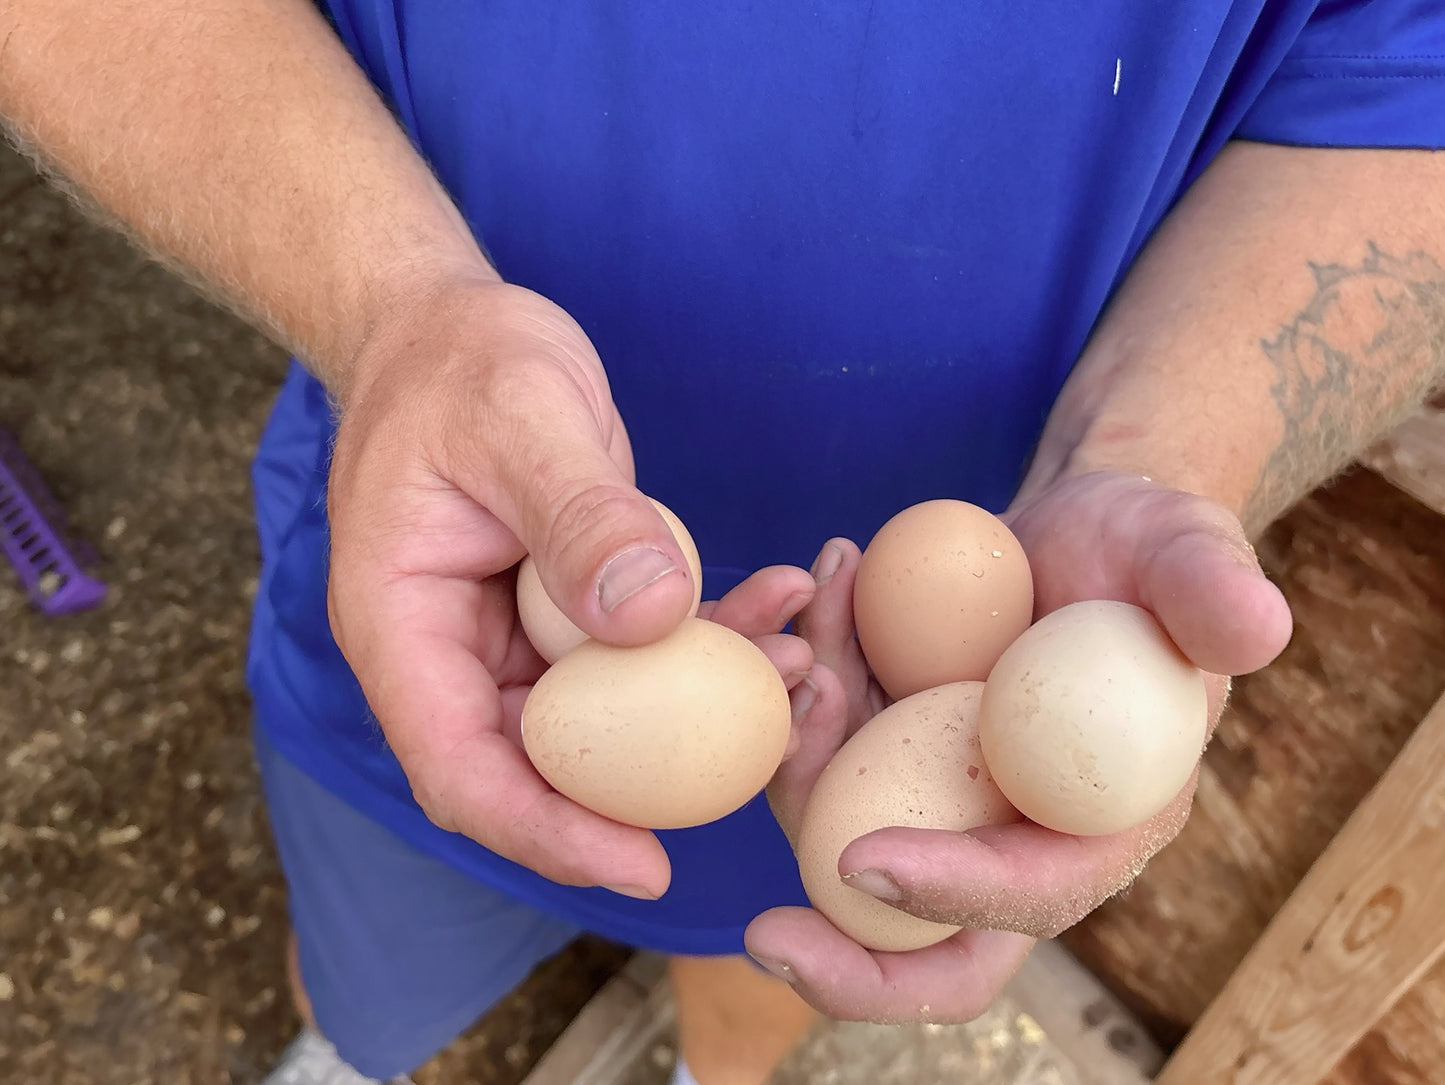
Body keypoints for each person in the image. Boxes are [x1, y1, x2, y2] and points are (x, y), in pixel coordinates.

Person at [4, 3, 1443, 1083]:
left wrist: (1153, 453)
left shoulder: (944, 709)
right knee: (377, 928)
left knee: (803, 924)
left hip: (921, 687)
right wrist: (392, 313)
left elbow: (1407, 73)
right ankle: (353, 1053)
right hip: (435, 589)